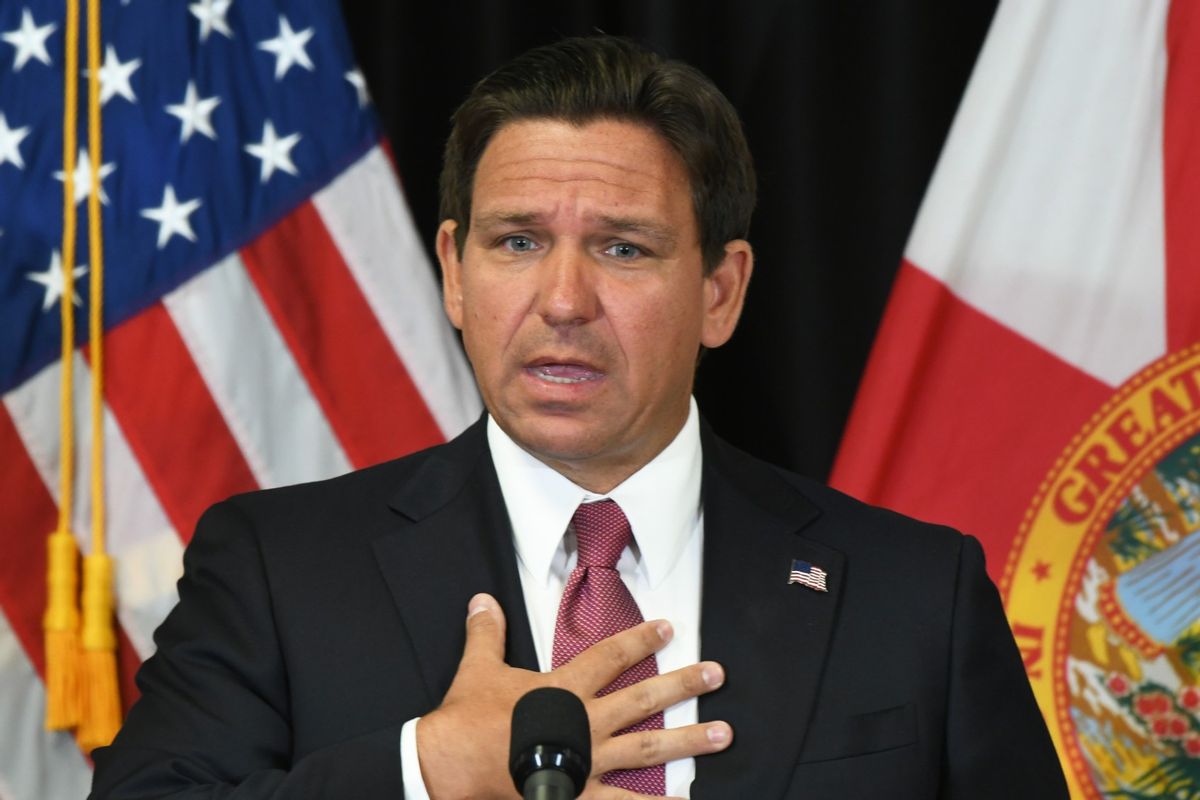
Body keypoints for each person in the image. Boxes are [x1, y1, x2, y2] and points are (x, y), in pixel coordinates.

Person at [90, 36, 1068, 799]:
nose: (563, 298)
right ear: (453, 273)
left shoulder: (913, 593)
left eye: (624, 248)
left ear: (721, 292)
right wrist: (427, 768)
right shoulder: (278, 566)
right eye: (516, 240)